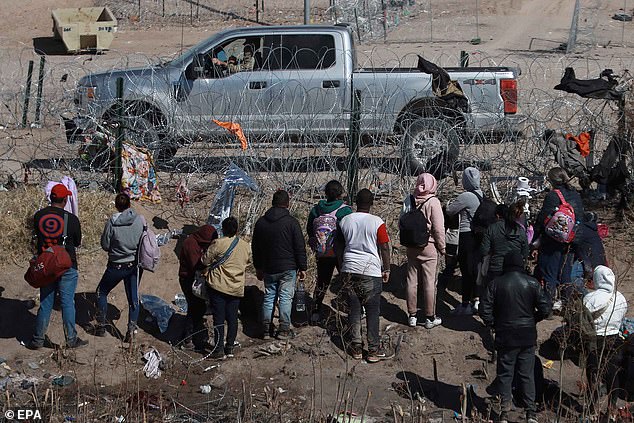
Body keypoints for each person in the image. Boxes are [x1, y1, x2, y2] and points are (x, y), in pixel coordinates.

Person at [480, 252, 551, 423]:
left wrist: (494, 324)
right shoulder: (532, 283)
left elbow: (484, 309)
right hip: (527, 335)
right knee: (526, 373)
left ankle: (504, 411)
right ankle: (530, 412)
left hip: (506, 335)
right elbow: (546, 308)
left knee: (505, 373)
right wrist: (533, 319)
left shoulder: (495, 284)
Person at [28, 184, 87, 349]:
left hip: (46, 265)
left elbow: (36, 237)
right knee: (68, 302)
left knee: (46, 302)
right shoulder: (72, 220)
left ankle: (38, 339)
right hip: (67, 264)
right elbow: (77, 242)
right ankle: (71, 339)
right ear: (65, 199)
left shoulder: (38, 216)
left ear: (50, 198)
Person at [337, 189, 392, 362]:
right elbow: (384, 246)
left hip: (349, 268)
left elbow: (338, 245)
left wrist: (341, 266)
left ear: (355, 202)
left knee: (353, 309)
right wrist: (387, 268)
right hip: (371, 270)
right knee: (373, 310)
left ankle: (356, 347)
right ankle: (374, 350)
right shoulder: (377, 222)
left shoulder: (345, 220)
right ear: (372, 202)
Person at [252, 190, 308, 340]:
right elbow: (299, 246)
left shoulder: (261, 223)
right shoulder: (291, 222)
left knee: (269, 296)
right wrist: (302, 267)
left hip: (269, 267)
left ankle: (265, 329)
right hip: (288, 267)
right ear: (287, 204)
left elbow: (255, 247)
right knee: (285, 297)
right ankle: (284, 329)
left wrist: (258, 267)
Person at [95, 193, 145, 342]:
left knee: (101, 292)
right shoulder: (138, 220)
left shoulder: (112, 222)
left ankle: (102, 325)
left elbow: (105, 245)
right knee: (133, 299)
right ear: (129, 205)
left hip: (116, 265)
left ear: (116, 206)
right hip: (134, 265)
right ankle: (131, 330)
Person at [533, 167, 585, 308]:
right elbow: (580, 217)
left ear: (551, 180)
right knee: (565, 272)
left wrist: (535, 238)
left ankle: (548, 305)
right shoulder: (575, 194)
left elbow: (543, 219)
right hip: (571, 239)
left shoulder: (553, 196)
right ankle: (566, 304)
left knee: (549, 271)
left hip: (553, 240)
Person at [400, 173, 445, 328]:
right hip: (429, 246)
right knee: (429, 282)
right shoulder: (433, 202)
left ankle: (411, 315)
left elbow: (402, 222)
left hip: (411, 246)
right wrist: (442, 247)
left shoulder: (409, 199)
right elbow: (438, 229)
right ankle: (429, 317)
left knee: (411, 280)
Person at [202, 217, 251, 360]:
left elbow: (205, 260)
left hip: (218, 286)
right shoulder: (245, 246)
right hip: (236, 287)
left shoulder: (218, 243)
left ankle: (218, 349)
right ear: (236, 229)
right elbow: (247, 262)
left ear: (223, 229)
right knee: (232, 318)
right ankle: (230, 346)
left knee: (219, 318)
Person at [306, 180, 353, 324]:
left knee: (322, 281)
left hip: (323, 251)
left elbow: (309, 230)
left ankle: (315, 311)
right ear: (341, 193)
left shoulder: (316, 209)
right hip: (339, 252)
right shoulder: (345, 211)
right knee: (347, 281)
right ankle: (355, 309)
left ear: (326, 193)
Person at [583, 265, 628, 415]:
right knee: (612, 373)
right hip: (614, 339)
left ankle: (592, 407)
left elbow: (584, 320)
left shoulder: (590, 298)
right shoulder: (620, 297)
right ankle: (612, 406)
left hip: (595, 339)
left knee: (593, 373)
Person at [446, 166, 483, 315]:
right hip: (479, 236)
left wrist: (448, 203)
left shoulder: (466, 196)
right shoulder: (481, 194)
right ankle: (477, 300)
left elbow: (450, 210)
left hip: (466, 235)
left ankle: (465, 304)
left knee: (466, 270)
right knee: (476, 269)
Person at [177, 224, 218, 351]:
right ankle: (187, 338)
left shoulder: (196, 242)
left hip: (194, 277)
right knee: (195, 307)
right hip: (187, 278)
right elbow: (196, 264)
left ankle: (193, 334)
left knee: (199, 307)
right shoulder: (191, 244)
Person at [480, 201, 529, 282]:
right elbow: (525, 253)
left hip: (496, 268)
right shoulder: (521, 231)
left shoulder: (492, 228)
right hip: (515, 269)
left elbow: (484, 250)